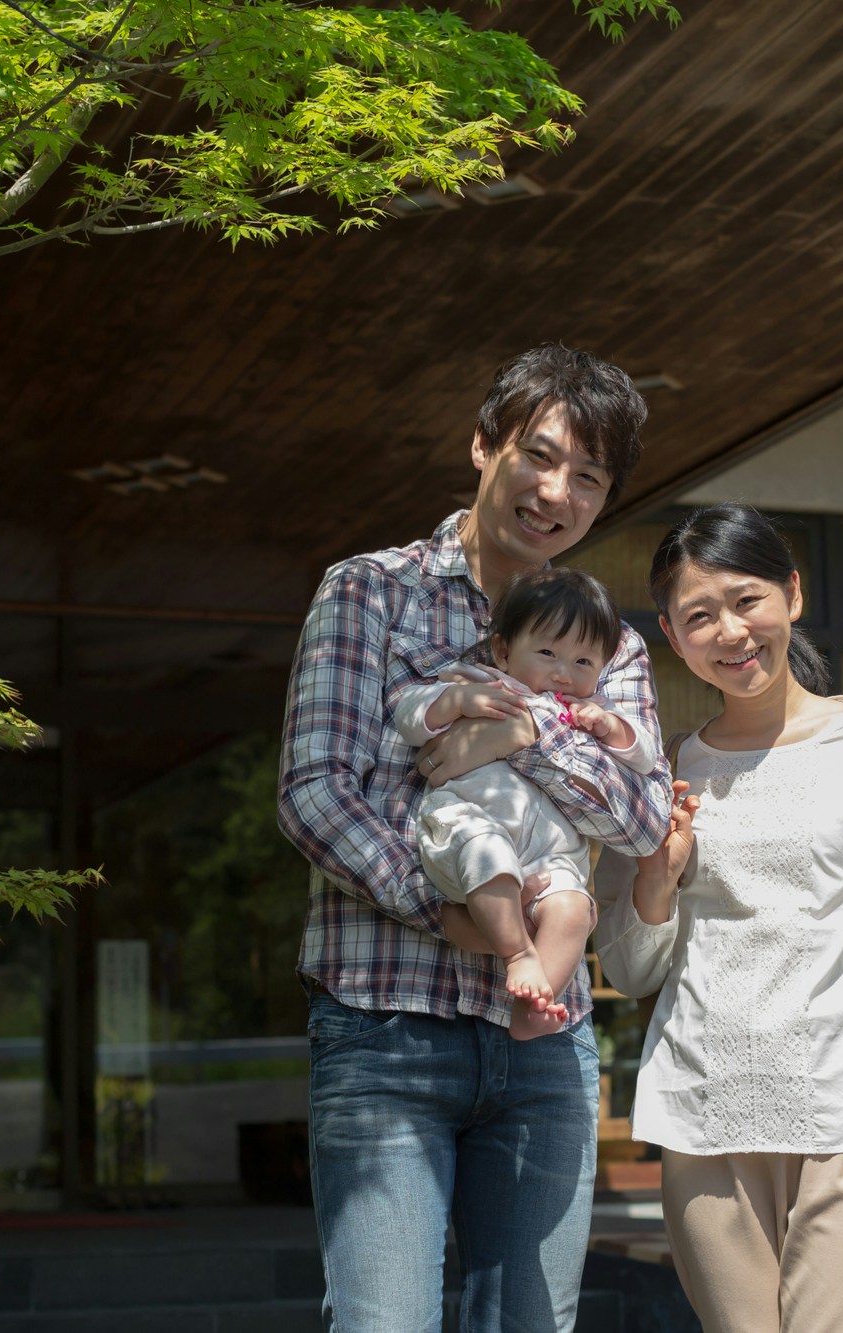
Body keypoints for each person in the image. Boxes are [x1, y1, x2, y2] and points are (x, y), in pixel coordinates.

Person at [277, 344, 672, 1332]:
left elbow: (641, 816)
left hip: (545, 1055)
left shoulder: (608, 639)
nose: (556, 492)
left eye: (587, 477)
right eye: (539, 456)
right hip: (383, 1031)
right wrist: (447, 914)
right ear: (482, 445)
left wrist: (516, 732)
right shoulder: (369, 591)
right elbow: (313, 793)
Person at [594, 502, 843, 1333]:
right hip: (706, 1107)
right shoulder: (662, 773)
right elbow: (627, 967)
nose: (730, 631)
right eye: (700, 616)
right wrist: (658, 878)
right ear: (672, 634)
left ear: (792, 595)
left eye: (746, 600)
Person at [394, 567, 659, 1040]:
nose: (564, 672)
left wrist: (609, 726)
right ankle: (519, 955)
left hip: (550, 854)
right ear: (502, 651)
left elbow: (644, 756)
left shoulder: (588, 710)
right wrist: (457, 702)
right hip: (466, 822)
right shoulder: (482, 682)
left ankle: (536, 1006)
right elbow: (410, 715)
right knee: (488, 852)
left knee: (575, 907)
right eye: (547, 653)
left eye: (584, 662)